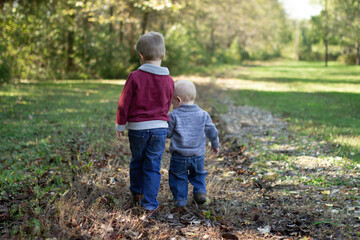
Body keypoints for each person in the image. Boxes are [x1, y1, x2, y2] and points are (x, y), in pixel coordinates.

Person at [115, 31, 174, 212]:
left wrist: (120, 124)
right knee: (153, 165)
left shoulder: (134, 77)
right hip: (159, 129)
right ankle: (149, 203)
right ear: (162, 54)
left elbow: (124, 103)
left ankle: (137, 194)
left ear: (140, 55)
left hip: (138, 129)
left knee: (137, 161)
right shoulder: (169, 79)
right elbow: (168, 103)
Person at [167, 80, 219, 210]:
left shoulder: (173, 115)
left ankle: (180, 200)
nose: (172, 105)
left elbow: (167, 134)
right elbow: (212, 131)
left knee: (178, 177)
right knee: (198, 174)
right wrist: (215, 144)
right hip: (198, 155)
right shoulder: (203, 114)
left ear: (178, 100)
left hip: (179, 156)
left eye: (172, 102)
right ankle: (200, 192)